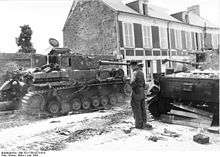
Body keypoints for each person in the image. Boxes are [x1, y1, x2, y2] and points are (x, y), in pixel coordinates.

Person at [130, 61, 148, 129]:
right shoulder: (141, 72)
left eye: (131, 66)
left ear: (132, 66)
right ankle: (144, 122)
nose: (131, 68)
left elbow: (132, 83)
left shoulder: (134, 73)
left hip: (136, 92)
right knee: (142, 107)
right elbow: (144, 83)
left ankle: (138, 125)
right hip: (142, 92)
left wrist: (127, 81)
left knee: (136, 108)